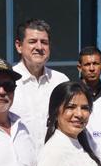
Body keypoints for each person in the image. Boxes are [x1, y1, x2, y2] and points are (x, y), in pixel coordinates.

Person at [11, 19, 69, 156]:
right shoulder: (7, 82)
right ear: (19, 46)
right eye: (32, 42)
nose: (39, 47)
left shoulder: (61, 81)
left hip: (55, 165)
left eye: (44, 42)